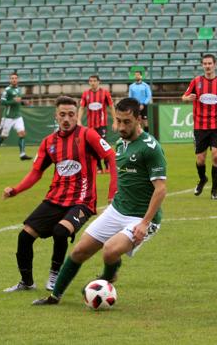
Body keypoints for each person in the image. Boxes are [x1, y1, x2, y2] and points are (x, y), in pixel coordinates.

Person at [33, 97, 167, 306]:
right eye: (118, 121)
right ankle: (54, 297)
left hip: (141, 217)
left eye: (127, 122)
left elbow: (161, 190)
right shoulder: (121, 143)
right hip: (118, 210)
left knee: (110, 251)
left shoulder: (150, 148)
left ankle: (107, 278)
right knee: (79, 251)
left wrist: (144, 223)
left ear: (139, 120)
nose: (121, 127)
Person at [2, 96, 117, 293]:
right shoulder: (49, 143)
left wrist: (112, 192)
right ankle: (27, 282)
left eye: (71, 115)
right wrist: (16, 189)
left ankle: (55, 275)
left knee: (60, 231)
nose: (66, 119)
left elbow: (111, 157)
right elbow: (36, 172)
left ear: (76, 116)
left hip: (83, 200)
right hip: (55, 199)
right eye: (62, 115)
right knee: (24, 236)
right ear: (56, 116)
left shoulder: (88, 135)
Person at [181, 54, 217, 200]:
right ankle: (203, 179)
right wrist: (187, 98)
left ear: (215, 64)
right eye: (205, 63)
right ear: (202, 65)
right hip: (200, 126)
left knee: (216, 156)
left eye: (210, 63)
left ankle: (215, 191)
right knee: (200, 160)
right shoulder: (196, 81)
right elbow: (184, 96)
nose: (207, 66)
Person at [78, 75, 117, 173]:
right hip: (90, 126)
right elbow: (82, 108)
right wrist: (78, 120)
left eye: (95, 81)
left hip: (102, 124)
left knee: (103, 144)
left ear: (99, 82)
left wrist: (115, 121)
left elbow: (111, 107)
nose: (93, 83)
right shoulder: (85, 94)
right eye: (91, 81)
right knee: (93, 146)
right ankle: (99, 167)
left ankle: (107, 165)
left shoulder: (105, 93)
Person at [0, 72, 32, 162]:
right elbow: (2, 102)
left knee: (22, 133)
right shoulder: (7, 90)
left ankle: (22, 154)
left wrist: (23, 102)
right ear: (10, 80)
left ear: (18, 80)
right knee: (4, 136)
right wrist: (13, 101)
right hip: (8, 117)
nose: (14, 80)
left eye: (15, 78)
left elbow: (18, 101)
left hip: (17, 116)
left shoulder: (18, 90)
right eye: (12, 78)